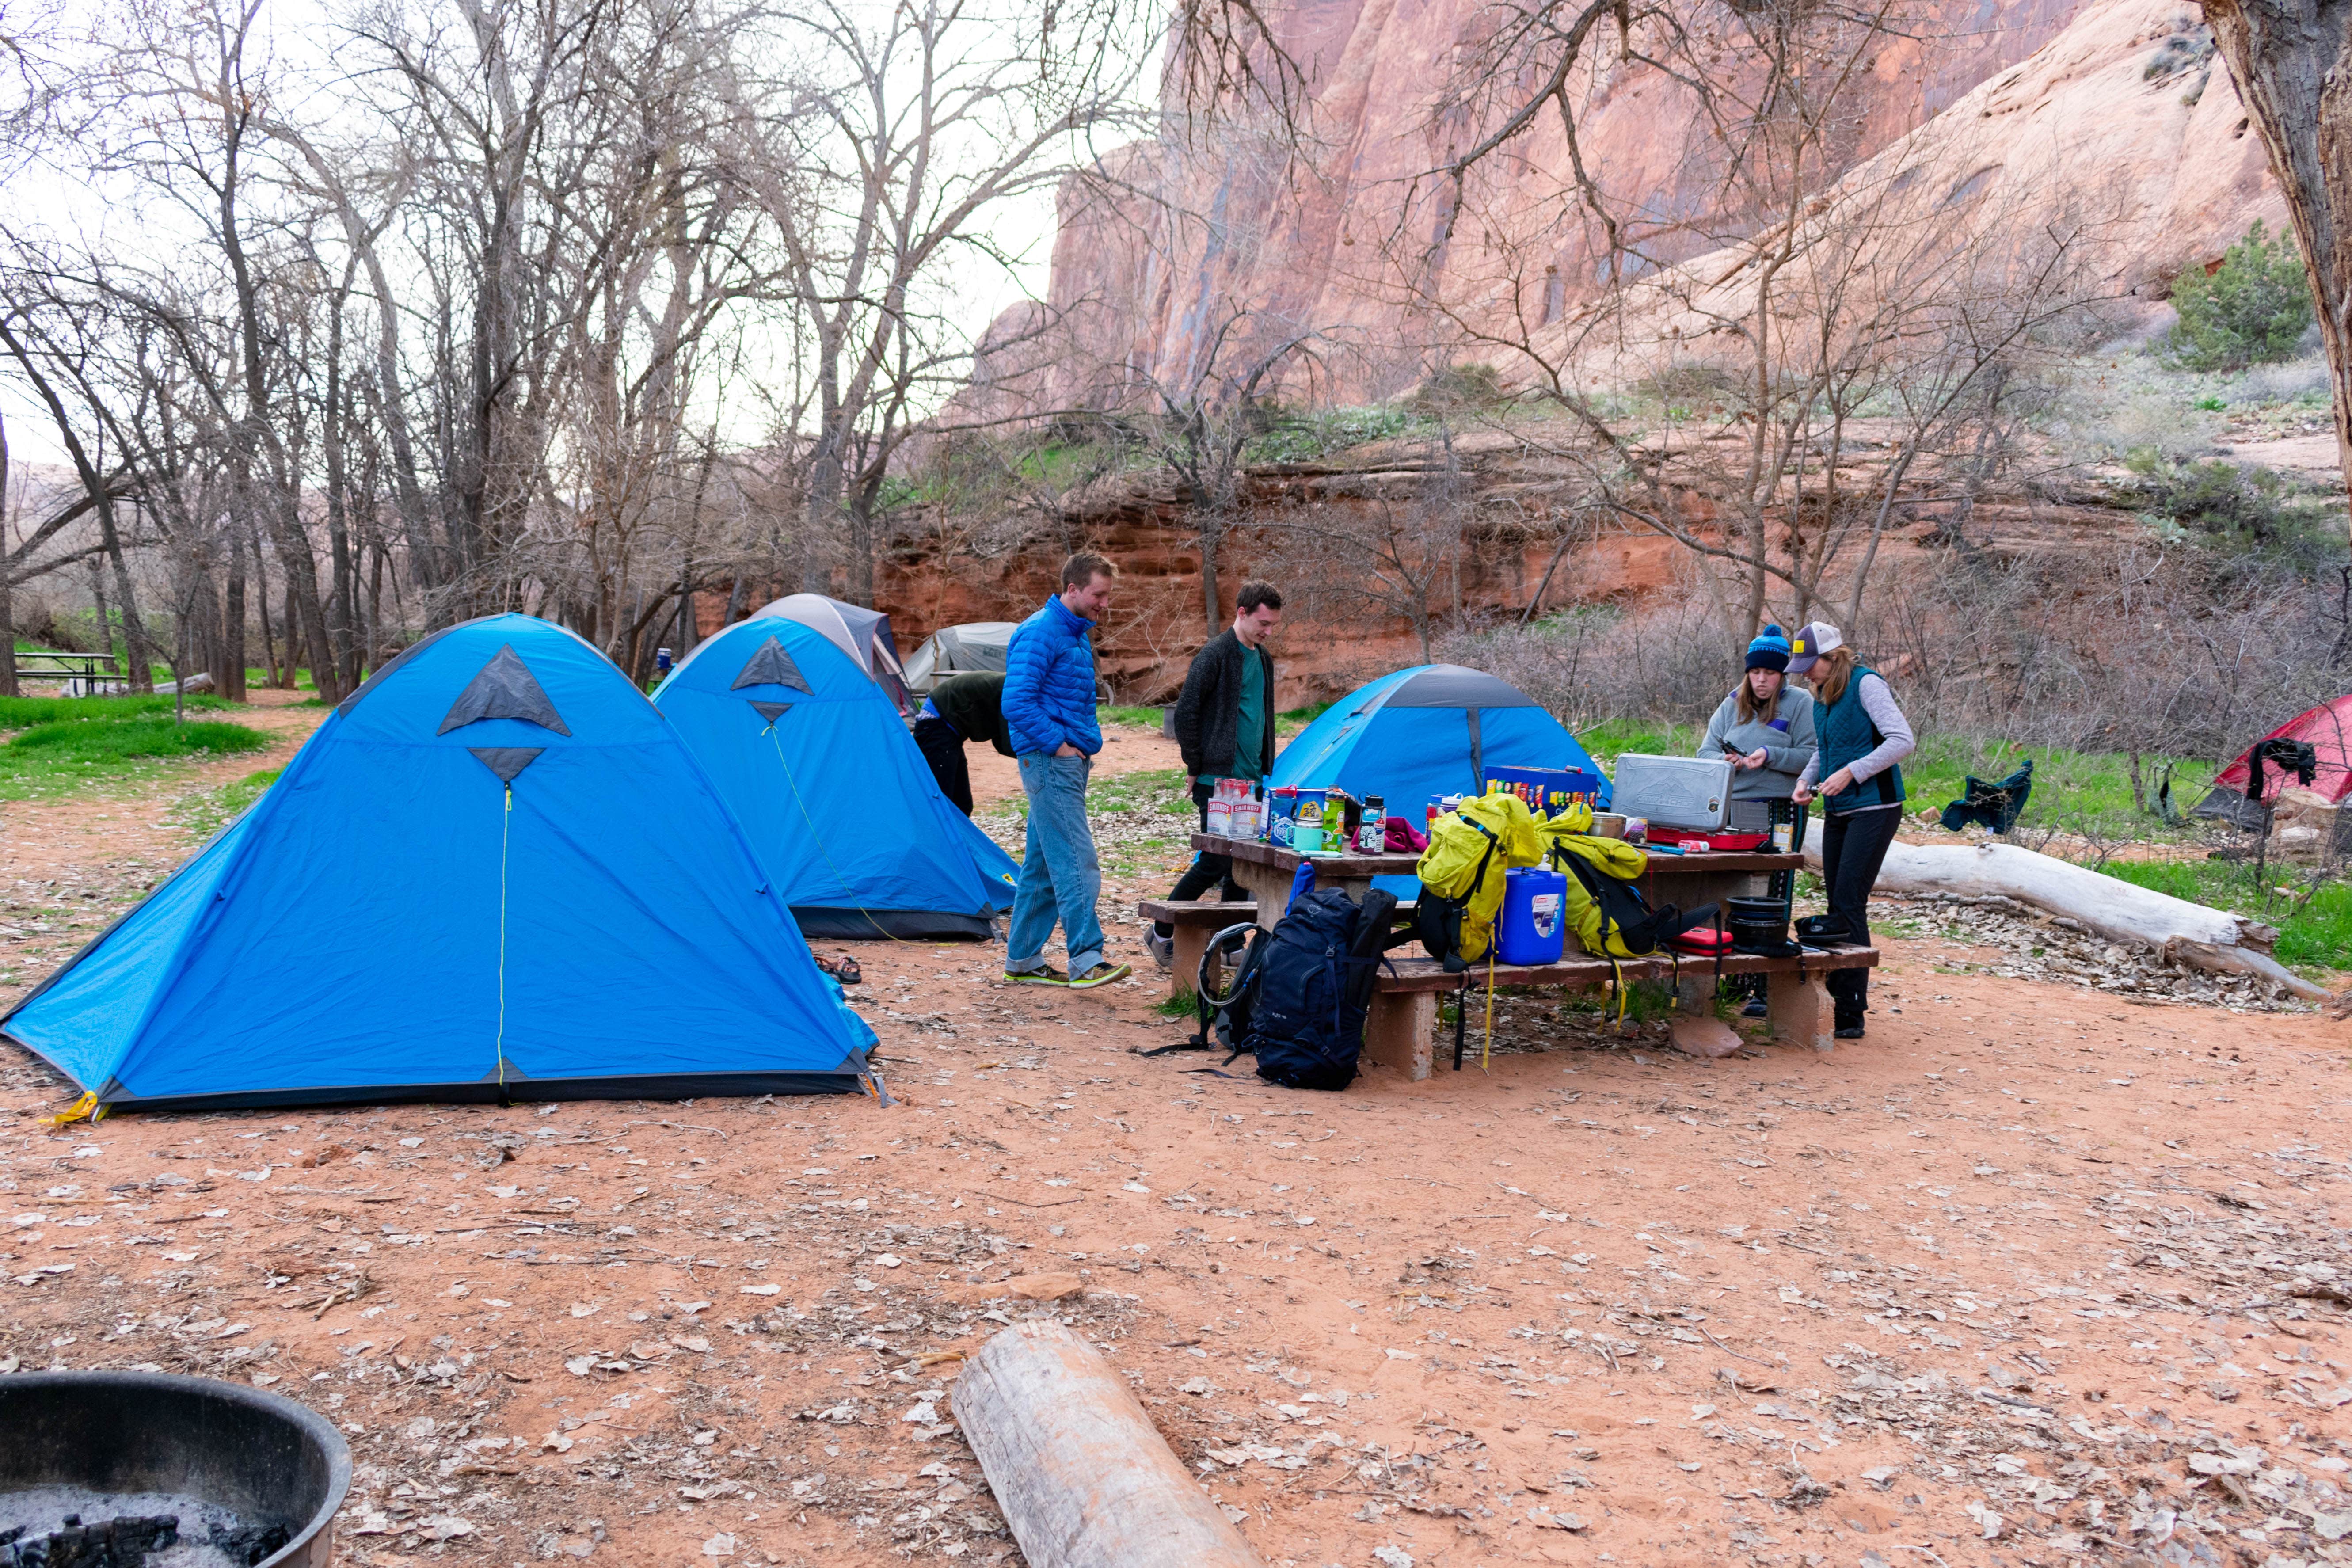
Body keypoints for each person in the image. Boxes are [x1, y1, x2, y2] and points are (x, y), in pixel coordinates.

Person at [1001, 552, 1130, 990]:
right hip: (1051, 762)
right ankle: (1087, 959)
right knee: (1077, 858)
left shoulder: (1074, 633)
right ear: (1072, 589)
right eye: (1099, 594)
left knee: (1042, 865)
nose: (1104, 604)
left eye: (1107, 595)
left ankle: (1023, 960)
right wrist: (1058, 746)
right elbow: (1016, 701)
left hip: (1065, 763)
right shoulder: (1041, 631)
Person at [1787, 622, 1914, 1040]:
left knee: (1849, 900)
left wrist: (1852, 773)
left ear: (1834, 658)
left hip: (1876, 807)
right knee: (1836, 900)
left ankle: (1851, 1010)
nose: (1806, 673)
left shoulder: (1867, 685)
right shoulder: (1820, 696)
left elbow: (1901, 740)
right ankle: (1837, 999)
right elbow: (1826, 750)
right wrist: (1806, 780)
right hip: (1841, 808)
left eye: (1812, 665)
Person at [1149, 583, 1285, 969]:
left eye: (1273, 624)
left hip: (1251, 781)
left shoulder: (1264, 659)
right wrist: (1195, 765)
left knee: (1241, 867)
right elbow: (1187, 713)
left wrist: (1262, 768)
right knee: (1213, 863)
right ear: (1241, 613)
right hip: (1216, 781)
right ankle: (1161, 930)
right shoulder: (1216, 654)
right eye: (1263, 623)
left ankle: (1231, 945)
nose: (1268, 631)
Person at [1698, 624, 1818, 1016]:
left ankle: (1767, 985)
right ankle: (1736, 979)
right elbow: (1704, 752)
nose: (1762, 679)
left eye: (1770, 673)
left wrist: (1770, 754)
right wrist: (1726, 761)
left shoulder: (1800, 703)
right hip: (1734, 809)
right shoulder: (1732, 703)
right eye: (1756, 672)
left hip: (1780, 808)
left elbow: (1813, 754)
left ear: (1783, 675)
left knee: (1775, 890)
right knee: (1735, 887)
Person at [912, 672, 1012, 816]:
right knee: (941, 799)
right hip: (936, 722)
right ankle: (934, 837)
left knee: (962, 804)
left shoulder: (1012, 686)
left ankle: (958, 837)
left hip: (951, 729)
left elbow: (1001, 742)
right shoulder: (1011, 692)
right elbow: (1007, 744)